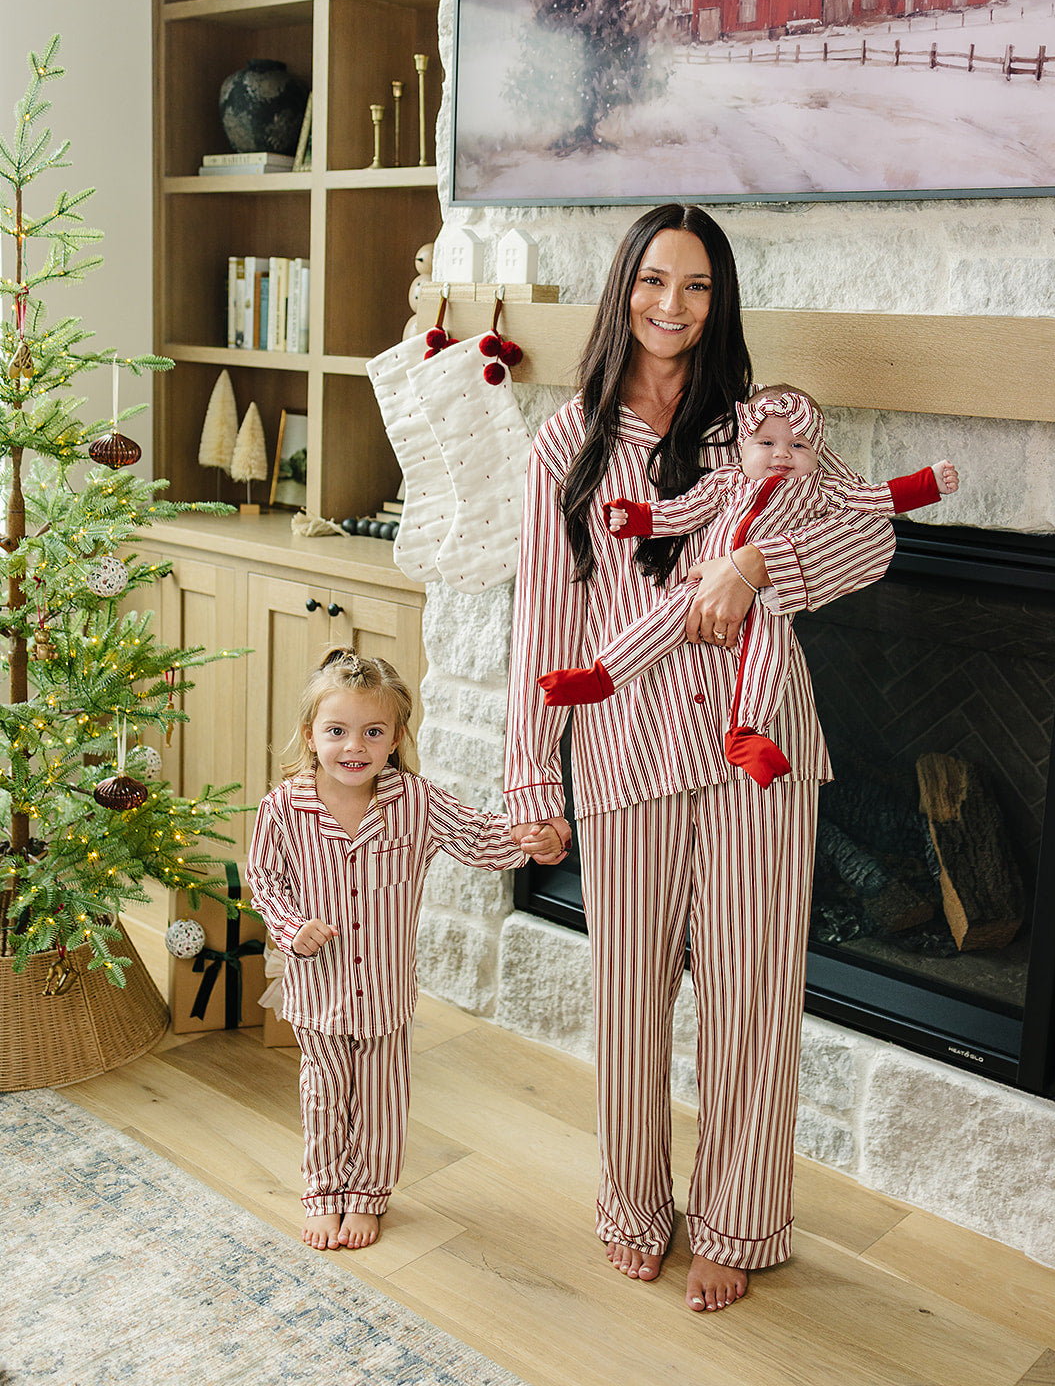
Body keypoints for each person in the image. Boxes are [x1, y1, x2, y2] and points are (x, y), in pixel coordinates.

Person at [504, 203, 898, 1313]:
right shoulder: (566, 443)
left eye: (695, 286)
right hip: (628, 752)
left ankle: (736, 1221)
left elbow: (870, 532)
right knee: (627, 997)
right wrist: (532, 774)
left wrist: (752, 567)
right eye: (652, 280)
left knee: (751, 995)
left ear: (718, 303)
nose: (669, 305)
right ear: (622, 288)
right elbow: (543, 622)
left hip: (754, 749)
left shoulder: (759, 427)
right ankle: (633, 1205)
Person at [247, 649, 567, 1253]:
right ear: (310, 735)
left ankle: (368, 1194)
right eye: (336, 731)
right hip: (317, 990)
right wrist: (291, 928)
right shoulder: (283, 806)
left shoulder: (416, 801)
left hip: (386, 992)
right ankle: (323, 1191)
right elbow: (264, 880)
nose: (354, 747)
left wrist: (530, 838)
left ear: (395, 738)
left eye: (373, 732)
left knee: (381, 1097)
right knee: (323, 1093)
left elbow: (478, 838)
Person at [538, 386, 959, 786]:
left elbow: (874, 502)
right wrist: (638, 519)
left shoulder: (820, 489)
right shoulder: (727, 481)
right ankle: (603, 676)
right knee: (658, 621)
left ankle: (745, 732)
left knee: (768, 657)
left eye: (799, 445)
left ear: (817, 452)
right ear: (743, 445)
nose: (782, 454)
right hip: (701, 586)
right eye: (767, 443)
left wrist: (929, 483)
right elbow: (684, 511)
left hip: (770, 600)